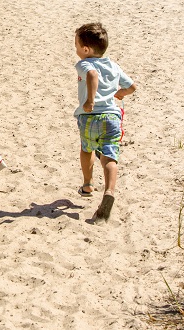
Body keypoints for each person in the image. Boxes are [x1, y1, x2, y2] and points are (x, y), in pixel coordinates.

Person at [74, 22, 136, 222]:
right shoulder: (114, 66)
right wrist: (119, 93)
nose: (76, 50)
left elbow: (92, 75)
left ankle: (88, 184)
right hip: (112, 117)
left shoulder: (85, 63)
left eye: (76, 46)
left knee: (87, 149)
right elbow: (132, 87)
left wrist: (90, 100)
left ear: (86, 49)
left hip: (89, 117)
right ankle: (109, 191)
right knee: (109, 156)